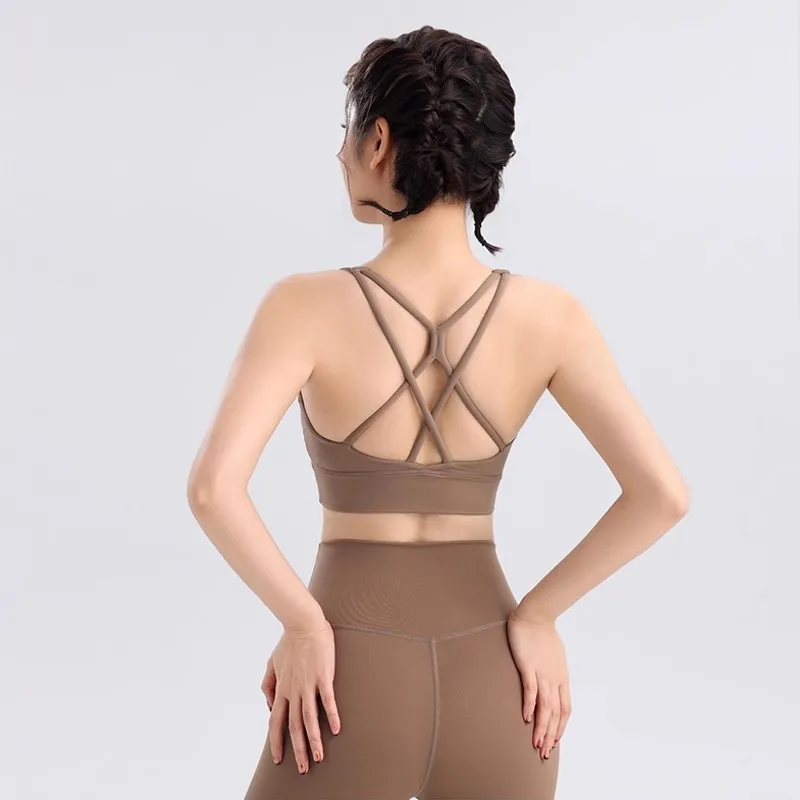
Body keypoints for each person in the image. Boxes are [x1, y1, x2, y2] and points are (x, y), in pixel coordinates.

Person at [186, 24, 690, 800]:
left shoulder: (301, 306)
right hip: (502, 685)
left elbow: (213, 490)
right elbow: (663, 496)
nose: (341, 152)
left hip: (345, 684)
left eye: (347, 131)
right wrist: (539, 618)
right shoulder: (552, 317)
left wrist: (303, 625)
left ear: (378, 140)